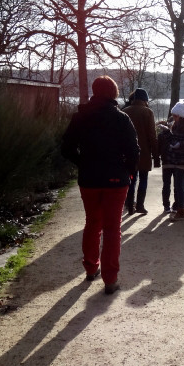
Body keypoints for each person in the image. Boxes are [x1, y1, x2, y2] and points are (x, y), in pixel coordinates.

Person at [61, 75, 139, 295]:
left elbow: (66, 148)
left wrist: (83, 163)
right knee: (113, 228)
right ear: (113, 93)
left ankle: (90, 268)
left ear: (95, 92)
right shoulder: (121, 118)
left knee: (92, 223)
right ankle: (110, 279)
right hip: (116, 179)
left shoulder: (80, 116)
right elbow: (134, 151)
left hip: (89, 179)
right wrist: (129, 172)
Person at [123, 88, 159, 215]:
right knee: (143, 179)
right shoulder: (148, 112)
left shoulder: (124, 111)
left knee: (131, 179)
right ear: (145, 100)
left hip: (128, 153)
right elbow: (152, 135)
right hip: (144, 153)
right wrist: (156, 156)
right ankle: (140, 205)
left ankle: (130, 205)